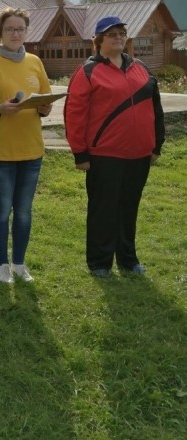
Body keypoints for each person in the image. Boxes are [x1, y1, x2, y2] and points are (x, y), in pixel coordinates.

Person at [64, 16, 165, 277]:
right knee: (103, 209)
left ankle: (128, 260)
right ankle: (100, 262)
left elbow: (155, 108)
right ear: (98, 41)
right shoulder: (87, 71)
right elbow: (74, 114)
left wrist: (156, 145)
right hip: (104, 156)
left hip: (139, 155)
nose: (118, 37)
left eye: (121, 33)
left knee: (129, 207)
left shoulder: (141, 68)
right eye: (111, 34)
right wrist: (80, 153)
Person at [0, 7, 52, 284]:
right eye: (10, 29)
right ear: (0, 33)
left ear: (26, 32)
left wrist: (43, 107)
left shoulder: (35, 63)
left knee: (25, 211)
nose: (16, 34)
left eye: (20, 29)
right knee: (2, 210)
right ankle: (1, 264)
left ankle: (19, 263)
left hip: (31, 151)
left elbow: (45, 103)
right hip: (0, 153)